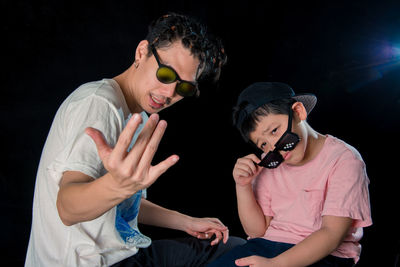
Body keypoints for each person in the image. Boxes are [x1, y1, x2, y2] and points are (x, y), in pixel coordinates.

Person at [25, 13, 245, 267]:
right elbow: (67, 207)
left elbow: (123, 201)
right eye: (165, 74)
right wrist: (117, 185)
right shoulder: (99, 104)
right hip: (86, 263)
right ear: (142, 52)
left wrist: (187, 222)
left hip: (122, 255)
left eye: (184, 88)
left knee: (234, 251)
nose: (168, 93)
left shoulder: (136, 115)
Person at [207, 82, 372, 267]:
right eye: (263, 144)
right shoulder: (269, 163)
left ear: (298, 112)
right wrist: (243, 186)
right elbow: (258, 231)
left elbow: (332, 234)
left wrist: (277, 264)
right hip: (266, 245)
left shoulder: (344, 160)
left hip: (324, 253)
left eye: (274, 131)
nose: (273, 148)